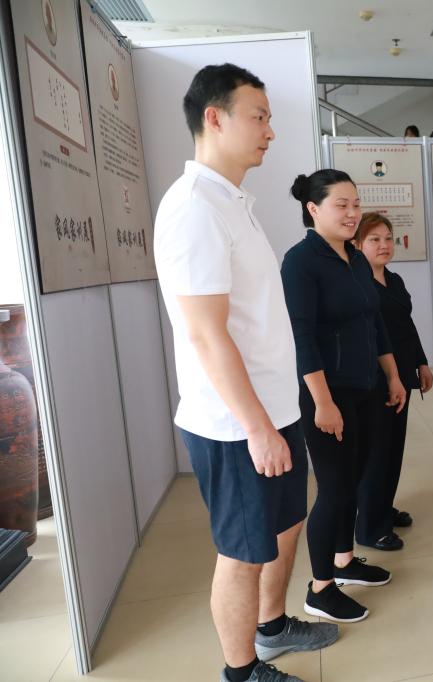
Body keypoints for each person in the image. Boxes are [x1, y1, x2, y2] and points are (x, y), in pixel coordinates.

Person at [154, 63, 337, 682]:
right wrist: (257, 427)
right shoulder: (193, 208)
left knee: (284, 527)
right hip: (235, 424)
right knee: (242, 551)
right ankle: (241, 672)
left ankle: (272, 627)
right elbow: (207, 335)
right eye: (258, 117)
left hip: (272, 410)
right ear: (214, 118)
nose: (270, 131)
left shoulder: (232, 203)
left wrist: (278, 417)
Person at [281, 170, 409, 627]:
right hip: (327, 393)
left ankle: (344, 560)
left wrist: (392, 375)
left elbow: (374, 324)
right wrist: (323, 402)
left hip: (365, 387)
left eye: (356, 204)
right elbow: (302, 337)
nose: (353, 213)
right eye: (342, 205)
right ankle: (320, 589)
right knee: (334, 489)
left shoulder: (354, 258)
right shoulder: (301, 262)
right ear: (313, 209)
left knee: (354, 479)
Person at [353, 212, 433, 539]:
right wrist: (391, 376)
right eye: (374, 239)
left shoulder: (394, 280)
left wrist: (422, 362)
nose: (384, 245)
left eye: (388, 238)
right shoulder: (357, 284)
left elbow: (406, 325)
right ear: (357, 244)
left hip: (402, 373)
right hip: (376, 379)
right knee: (376, 451)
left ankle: (383, 507)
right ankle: (369, 527)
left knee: (393, 447)